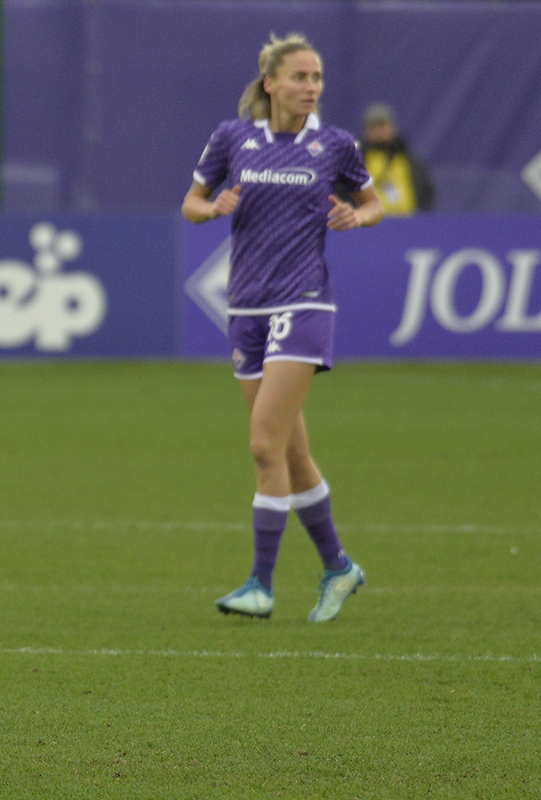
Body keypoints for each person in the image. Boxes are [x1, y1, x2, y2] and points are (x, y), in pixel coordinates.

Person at [181, 33, 384, 623]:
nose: (311, 87)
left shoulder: (335, 144)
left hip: (306, 302)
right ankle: (340, 567)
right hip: (245, 308)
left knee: (265, 443)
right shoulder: (233, 138)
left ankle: (260, 584)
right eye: (300, 77)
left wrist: (357, 215)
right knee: (292, 453)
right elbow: (192, 202)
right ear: (270, 82)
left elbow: (374, 203)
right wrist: (213, 207)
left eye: (317, 78)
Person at [359, 102, 434, 215]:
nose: (379, 131)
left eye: (383, 125)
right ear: (367, 131)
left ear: (393, 127)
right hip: (370, 228)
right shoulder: (356, 161)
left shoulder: (410, 160)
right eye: (374, 126)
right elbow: (344, 195)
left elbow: (426, 193)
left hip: (410, 226)